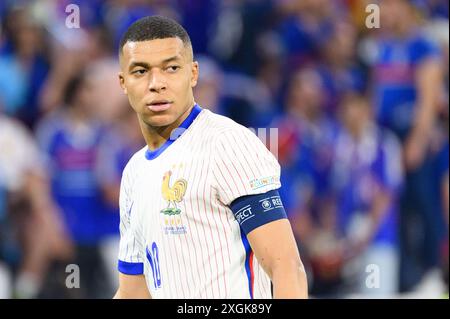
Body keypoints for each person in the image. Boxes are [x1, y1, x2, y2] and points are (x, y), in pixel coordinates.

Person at [113, 15, 308, 299]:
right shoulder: (134, 172)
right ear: (123, 82)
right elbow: (134, 292)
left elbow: (286, 267)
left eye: (171, 68)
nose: (157, 83)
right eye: (141, 71)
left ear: (193, 74)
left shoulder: (226, 143)